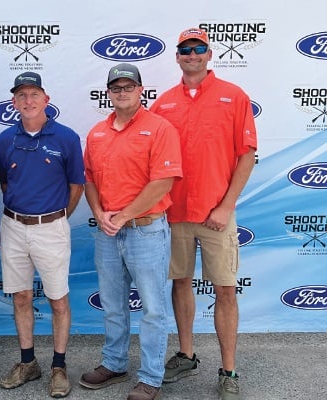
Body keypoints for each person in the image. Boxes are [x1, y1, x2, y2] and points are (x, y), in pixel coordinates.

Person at [150, 28, 258, 400]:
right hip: (175, 213)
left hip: (217, 214)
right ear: (177, 56)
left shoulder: (234, 96)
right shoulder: (162, 103)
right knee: (180, 283)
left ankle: (228, 370)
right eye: (185, 49)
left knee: (225, 290)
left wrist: (226, 205)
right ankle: (186, 354)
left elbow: (246, 155)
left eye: (198, 48)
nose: (192, 54)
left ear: (209, 54)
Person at [79, 63, 182, 400]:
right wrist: (98, 212)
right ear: (108, 92)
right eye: (116, 87)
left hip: (146, 230)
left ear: (141, 90)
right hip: (108, 231)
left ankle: (151, 377)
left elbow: (162, 183)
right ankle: (114, 362)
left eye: (128, 87)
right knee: (112, 303)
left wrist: (122, 216)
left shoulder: (160, 128)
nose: (122, 92)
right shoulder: (97, 132)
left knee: (153, 308)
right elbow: (90, 178)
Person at [0, 72, 85, 398]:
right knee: (21, 297)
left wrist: (58, 216)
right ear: (13, 102)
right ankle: (28, 362)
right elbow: (6, 183)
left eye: (34, 94)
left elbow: (77, 185)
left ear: (46, 100)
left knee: (58, 300)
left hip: (52, 227)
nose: (28, 101)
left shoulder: (67, 137)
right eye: (22, 95)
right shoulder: (5, 140)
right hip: (14, 226)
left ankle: (58, 366)